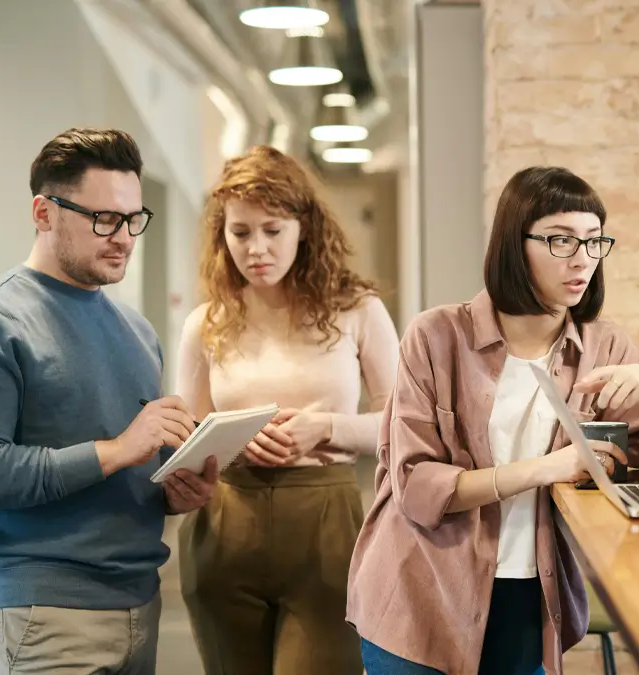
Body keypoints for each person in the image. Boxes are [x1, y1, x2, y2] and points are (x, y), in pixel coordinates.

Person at [347, 166, 639, 675]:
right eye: (561, 240)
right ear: (513, 246)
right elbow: (416, 486)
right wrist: (546, 469)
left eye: (593, 241)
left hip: (530, 596)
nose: (582, 259)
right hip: (420, 593)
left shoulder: (605, 344)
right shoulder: (436, 336)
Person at [0, 128, 216, 675]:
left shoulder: (136, 330)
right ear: (43, 213)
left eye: (133, 219)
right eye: (103, 219)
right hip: (44, 612)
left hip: (139, 600)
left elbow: (127, 471)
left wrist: (176, 491)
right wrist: (119, 449)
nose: (124, 237)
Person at [175, 145, 400, 675]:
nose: (257, 249)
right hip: (226, 521)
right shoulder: (205, 322)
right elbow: (186, 437)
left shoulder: (358, 310)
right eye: (240, 232)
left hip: (325, 520)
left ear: (304, 228)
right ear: (222, 236)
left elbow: (404, 427)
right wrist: (231, 441)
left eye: (273, 230)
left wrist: (327, 428)